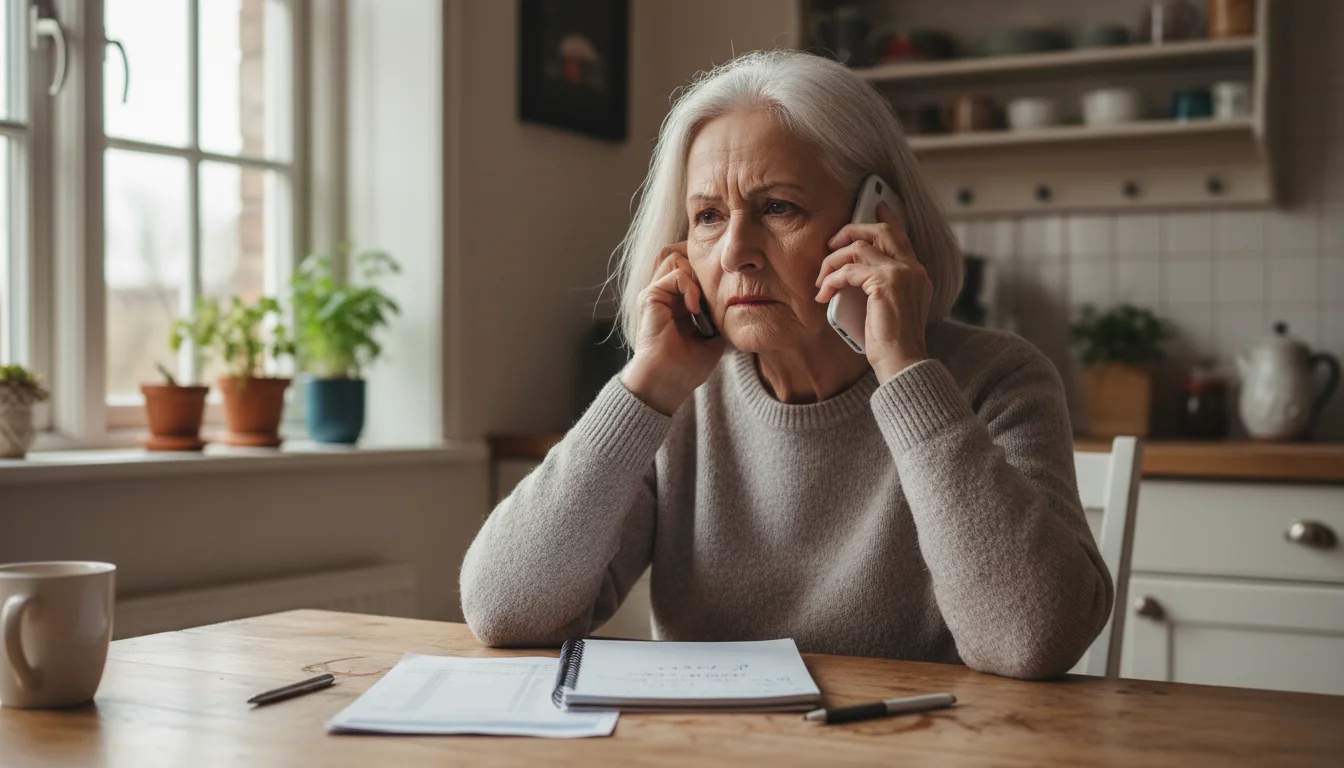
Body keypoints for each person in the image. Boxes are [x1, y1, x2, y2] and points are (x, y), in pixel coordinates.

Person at [460, 50, 1112, 679]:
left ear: (876, 221)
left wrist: (905, 369)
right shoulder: (683, 399)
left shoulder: (998, 378)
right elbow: (504, 609)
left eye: (777, 208)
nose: (736, 251)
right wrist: (650, 383)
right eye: (709, 216)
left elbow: (1032, 640)